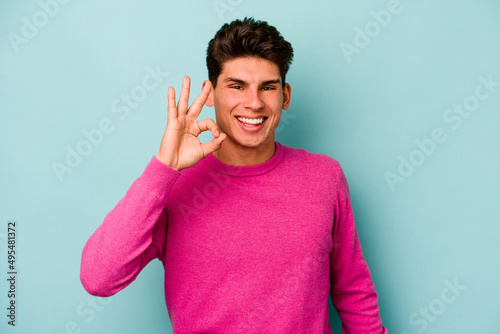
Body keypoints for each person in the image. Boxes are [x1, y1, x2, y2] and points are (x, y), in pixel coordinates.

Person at [80, 17, 388, 333]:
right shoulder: (175, 186)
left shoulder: (324, 177)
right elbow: (98, 277)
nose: (253, 103)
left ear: (285, 96)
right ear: (210, 93)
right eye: (237, 86)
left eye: (267, 87)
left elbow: (353, 290)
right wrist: (163, 168)